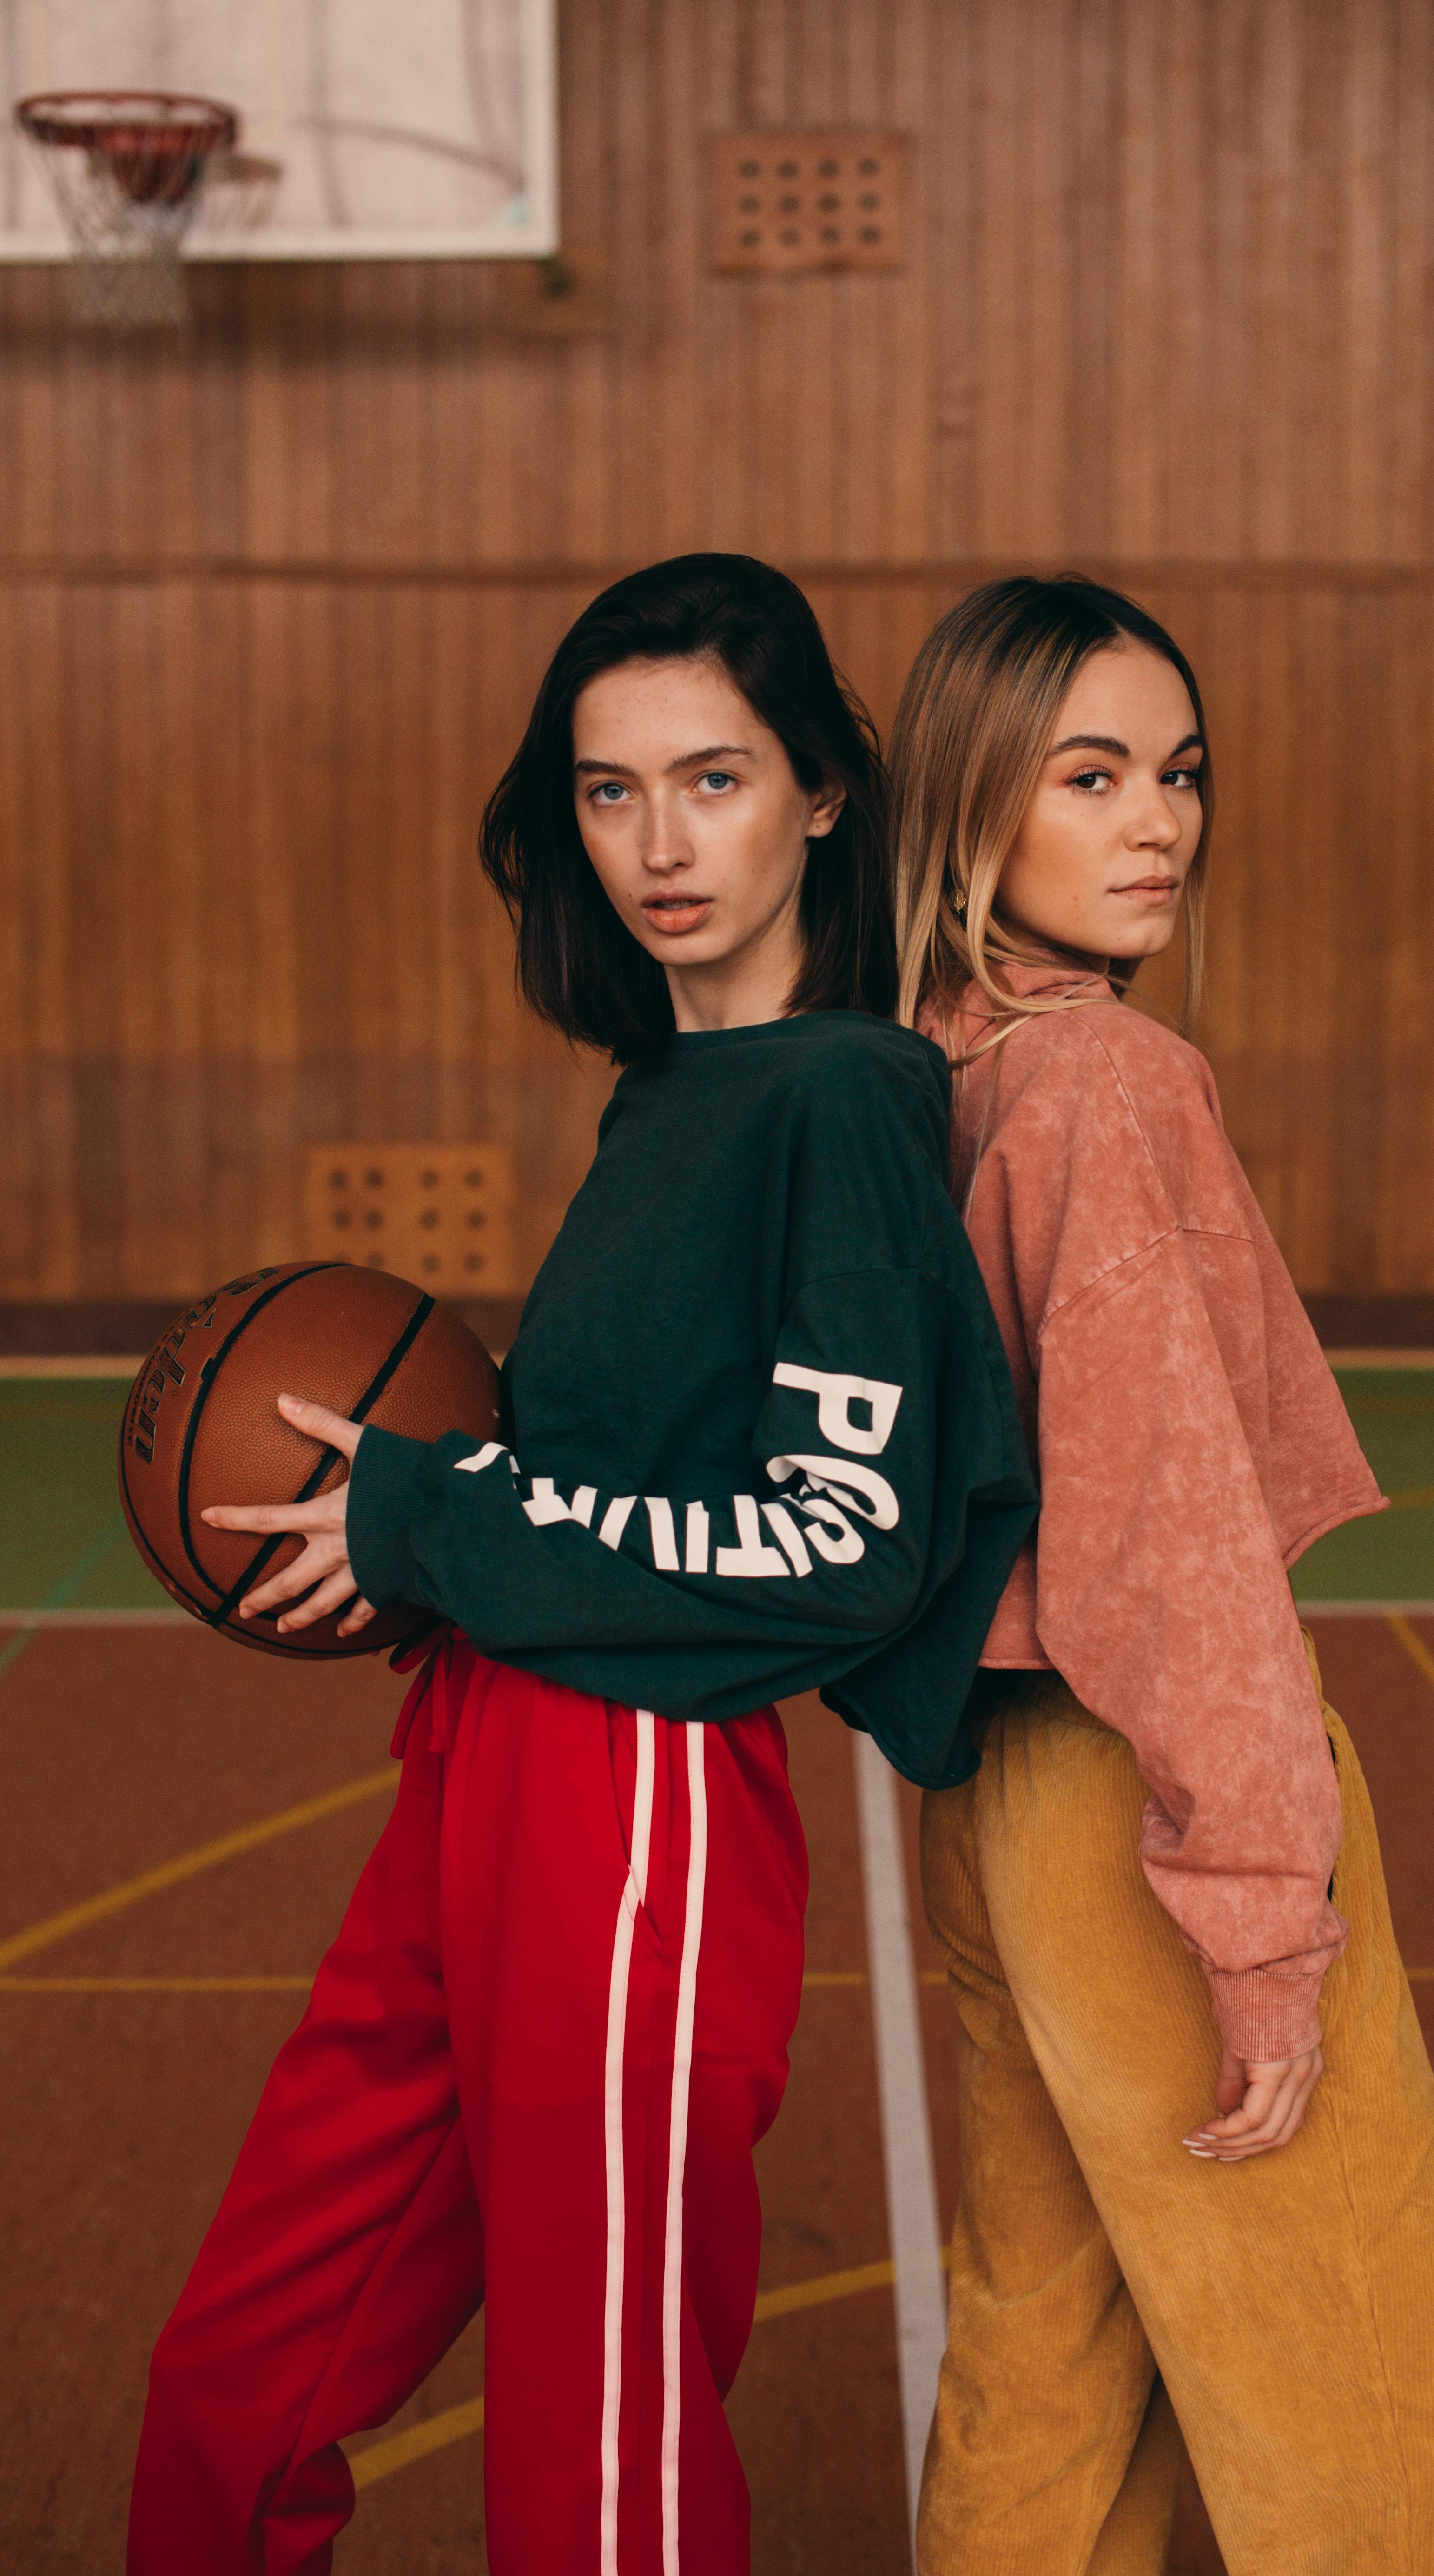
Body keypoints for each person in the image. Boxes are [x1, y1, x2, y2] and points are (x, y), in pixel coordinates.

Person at [126, 555, 1036, 2576]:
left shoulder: (845, 1102)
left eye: (710, 780)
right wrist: (432, 1547)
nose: (656, 843)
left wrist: (438, 1521)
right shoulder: (674, 1089)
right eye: (609, 793)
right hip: (483, 1751)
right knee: (243, 2368)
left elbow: (837, 1548)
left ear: (818, 792)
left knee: (597, 2440)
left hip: (640, 1797)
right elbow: (603, 1466)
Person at [890, 574, 1434, 2575]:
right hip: (1143, 1803)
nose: (1158, 819)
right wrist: (1261, 1917)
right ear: (976, 802)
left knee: (1048, 2359)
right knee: (1385, 2400)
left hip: (989, 1792)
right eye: (1090, 777)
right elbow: (1170, 1553)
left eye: (1178, 773)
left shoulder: (920, 1068)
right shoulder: (1103, 1080)